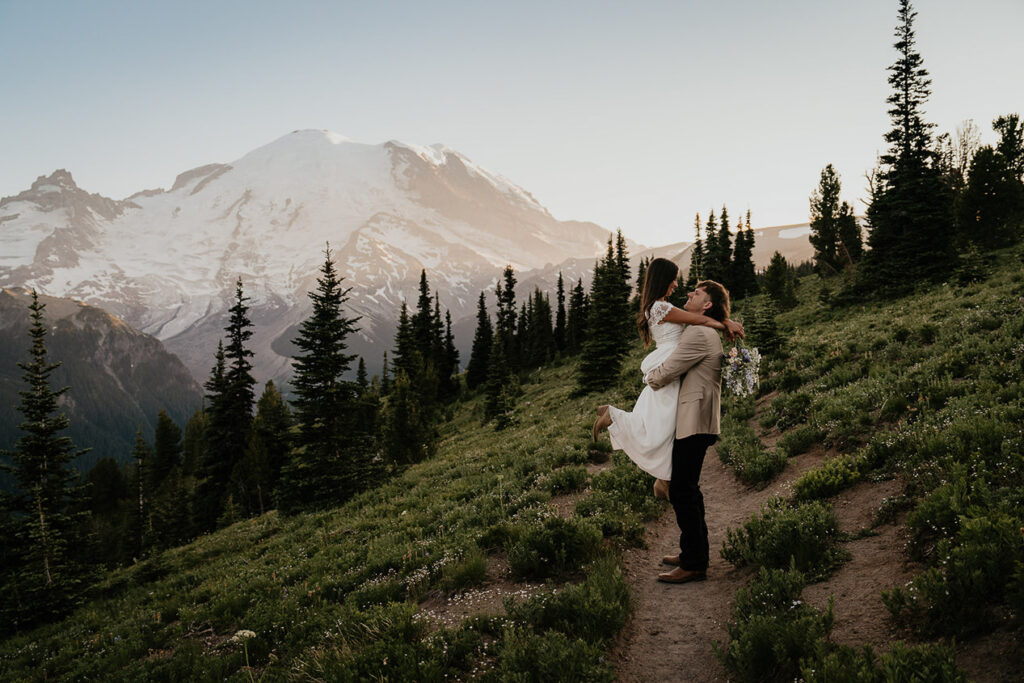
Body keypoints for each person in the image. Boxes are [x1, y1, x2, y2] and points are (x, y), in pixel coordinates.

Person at [592, 259, 741, 500]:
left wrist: (724, 325)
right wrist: (726, 325)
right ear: (663, 279)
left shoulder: (660, 306)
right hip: (671, 358)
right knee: (662, 424)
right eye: (673, 279)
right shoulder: (661, 308)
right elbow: (701, 319)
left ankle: (664, 480)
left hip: (674, 358)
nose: (676, 284)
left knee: (668, 423)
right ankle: (613, 416)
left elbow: (699, 319)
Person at [644, 279, 731, 583]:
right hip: (698, 420)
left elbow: (668, 371)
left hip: (695, 422)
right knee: (688, 490)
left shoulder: (698, 333)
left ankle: (694, 563)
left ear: (707, 304)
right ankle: (692, 553)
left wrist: (648, 378)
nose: (689, 295)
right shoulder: (702, 329)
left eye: (696, 293)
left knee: (683, 491)